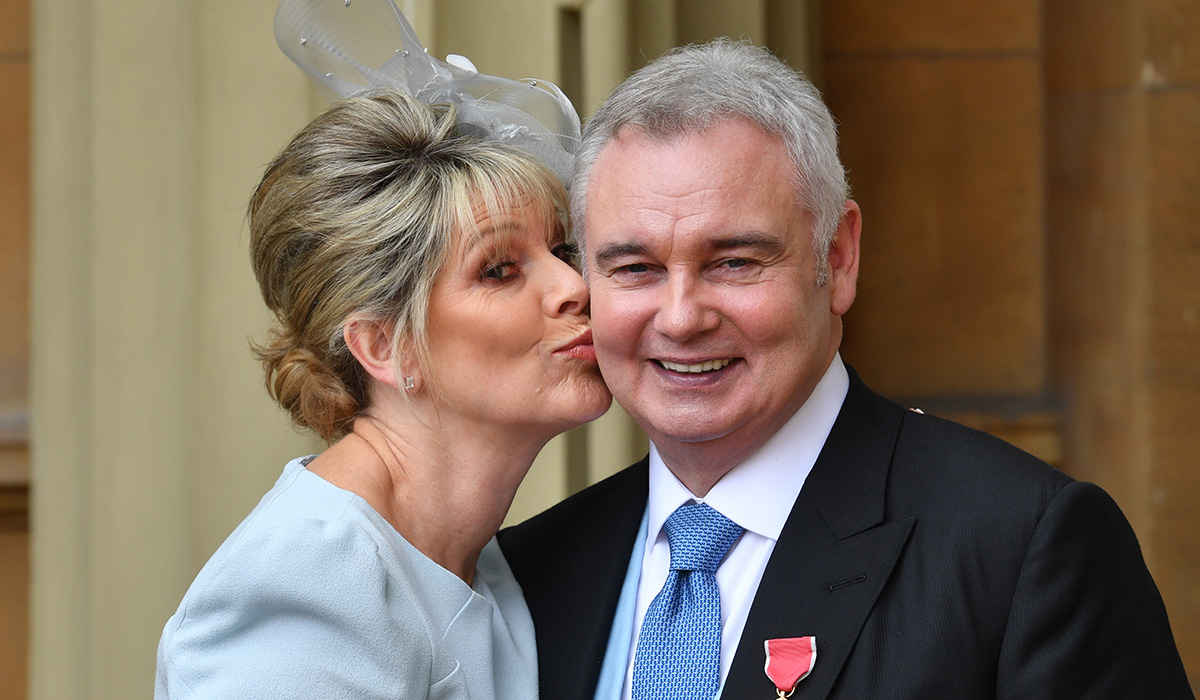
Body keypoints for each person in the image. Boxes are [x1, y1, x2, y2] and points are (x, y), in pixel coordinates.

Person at [498, 39, 1194, 700]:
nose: (681, 318)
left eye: (735, 262)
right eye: (636, 268)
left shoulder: (1021, 548)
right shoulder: (534, 571)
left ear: (837, 259)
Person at [155, 79, 611, 698]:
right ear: (384, 347)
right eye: (499, 269)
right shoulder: (305, 580)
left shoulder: (491, 568)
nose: (574, 286)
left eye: (561, 249)